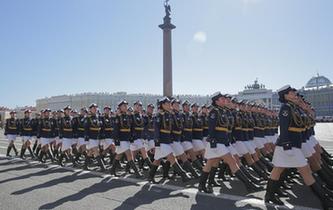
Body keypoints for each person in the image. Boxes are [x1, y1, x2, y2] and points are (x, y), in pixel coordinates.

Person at [264, 85, 333, 210]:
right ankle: (325, 200)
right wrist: (287, 146)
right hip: (288, 144)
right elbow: (284, 129)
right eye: (291, 92)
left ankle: (269, 195)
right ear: (285, 95)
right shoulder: (286, 108)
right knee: (304, 170)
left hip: (296, 143)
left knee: (278, 170)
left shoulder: (294, 107)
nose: (294, 93)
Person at [198, 92, 263, 193]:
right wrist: (213, 141)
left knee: (210, 163)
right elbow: (211, 128)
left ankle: (202, 184)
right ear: (216, 101)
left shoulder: (222, 111)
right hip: (217, 142)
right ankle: (249, 185)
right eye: (222, 99)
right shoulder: (214, 112)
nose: (224, 100)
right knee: (232, 162)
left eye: (224, 99)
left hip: (223, 142)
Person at [148, 97, 191, 183]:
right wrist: (156, 143)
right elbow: (156, 130)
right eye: (167, 104)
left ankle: (150, 176)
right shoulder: (158, 115)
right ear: (162, 105)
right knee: (171, 157)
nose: (169, 105)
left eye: (169, 103)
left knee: (157, 160)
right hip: (161, 141)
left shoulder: (169, 115)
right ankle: (183, 174)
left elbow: (171, 129)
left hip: (168, 140)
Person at [109, 100, 142, 178]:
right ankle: (137, 172)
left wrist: (131, 136)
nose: (126, 107)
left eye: (126, 105)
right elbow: (115, 129)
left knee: (119, 155)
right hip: (121, 139)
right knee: (129, 154)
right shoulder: (118, 117)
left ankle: (112, 170)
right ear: (120, 107)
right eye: (124, 106)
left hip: (127, 138)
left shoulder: (128, 116)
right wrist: (116, 139)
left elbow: (131, 127)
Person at [84, 103, 106, 171]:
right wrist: (86, 138)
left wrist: (101, 137)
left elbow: (101, 127)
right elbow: (86, 128)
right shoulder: (88, 118)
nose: (95, 109)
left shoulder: (98, 117)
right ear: (90, 109)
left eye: (96, 108)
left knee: (90, 152)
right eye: (93, 108)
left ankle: (85, 165)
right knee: (96, 151)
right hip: (91, 137)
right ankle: (103, 167)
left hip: (97, 137)